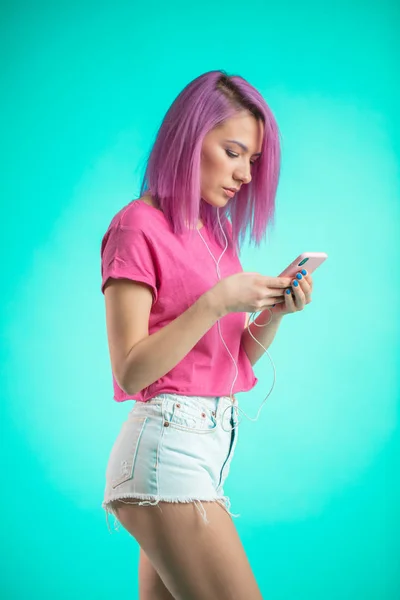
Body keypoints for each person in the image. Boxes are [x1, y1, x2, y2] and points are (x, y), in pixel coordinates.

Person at [100, 70, 313, 600]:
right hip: (167, 452)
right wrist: (216, 300)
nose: (244, 174)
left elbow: (231, 357)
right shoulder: (136, 227)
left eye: (253, 161)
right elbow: (130, 368)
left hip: (207, 452)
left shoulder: (213, 232)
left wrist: (276, 311)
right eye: (234, 152)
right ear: (190, 141)